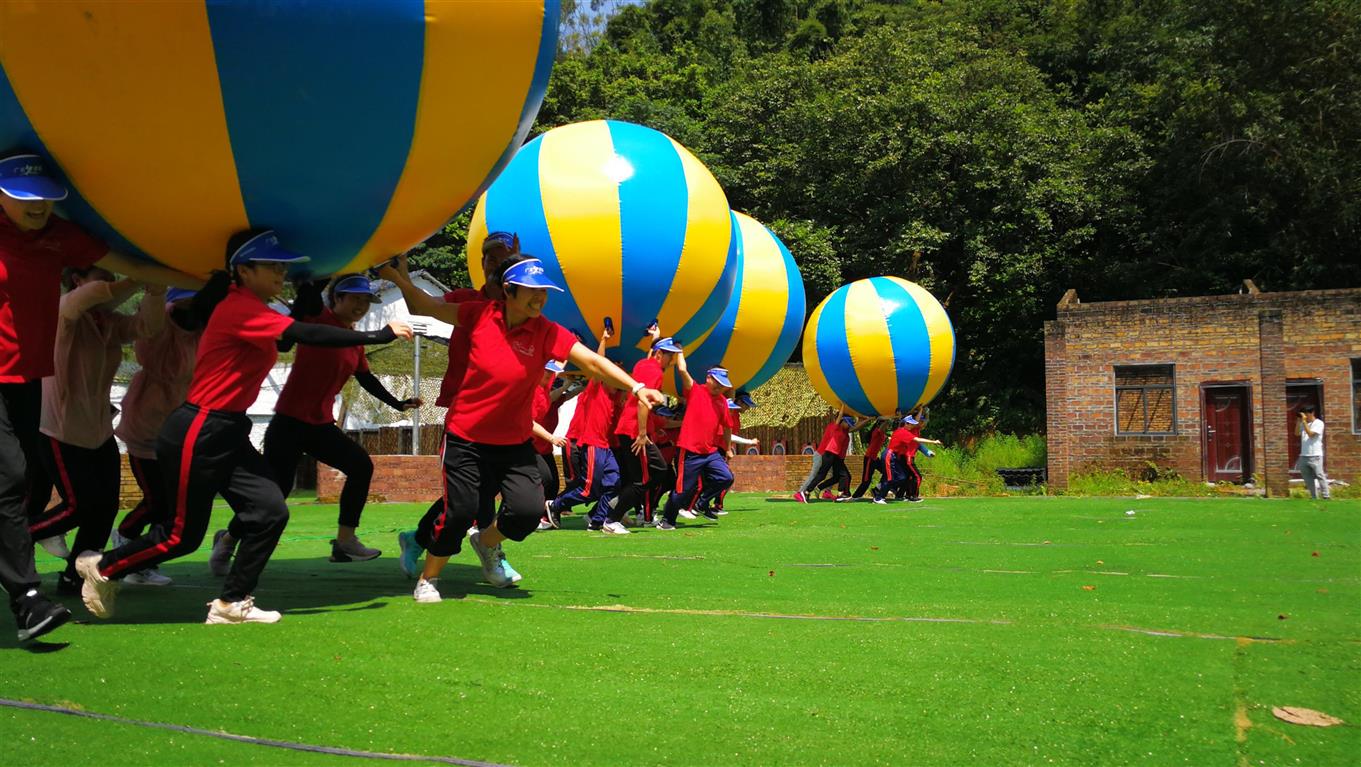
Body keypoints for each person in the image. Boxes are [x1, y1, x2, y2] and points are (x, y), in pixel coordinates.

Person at [73, 228, 412, 625]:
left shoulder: (258, 310)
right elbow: (303, 334)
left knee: (270, 511)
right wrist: (380, 333)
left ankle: (231, 603)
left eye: (282, 267)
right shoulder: (238, 307)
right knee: (182, 536)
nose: (279, 273)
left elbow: (288, 334)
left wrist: (308, 291)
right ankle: (102, 567)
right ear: (243, 270)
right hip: (198, 428)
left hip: (230, 429)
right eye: (271, 266)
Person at [380, 253, 663, 603]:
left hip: (512, 442)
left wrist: (636, 387)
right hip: (466, 436)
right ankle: (429, 579)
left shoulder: (545, 331)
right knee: (461, 511)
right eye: (531, 291)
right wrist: (397, 276)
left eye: (544, 291)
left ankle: (486, 543)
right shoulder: (478, 314)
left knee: (528, 510)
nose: (539, 298)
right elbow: (423, 304)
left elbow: (591, 360)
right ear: (508, 291)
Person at [0, 151, 191, 642]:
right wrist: (131, 280)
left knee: (66, 501)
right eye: (26, 198)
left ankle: (54, 581)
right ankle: (26, 598)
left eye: (46, 199)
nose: (38, 207)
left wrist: (178, 277)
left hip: (35, 390)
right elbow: (94, 291)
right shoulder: (72, 307)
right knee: (17, 483)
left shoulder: (62, 246)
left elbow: (133, 294)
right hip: (54, 419)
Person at [255, 274, 421, 564]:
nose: (361, 305)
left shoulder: (354, 343)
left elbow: (365, 378)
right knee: (275, 495)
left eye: (366, 300)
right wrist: (316, 279)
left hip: (319, 425)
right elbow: (307, 299)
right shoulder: (317, 318)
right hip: (289, 423)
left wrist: (398, 404)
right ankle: (229, 539)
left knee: (360, 465)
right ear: (337, 299)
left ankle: (345, 541)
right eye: (354, 298)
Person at [27, 265, 165, 596]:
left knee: (104, 509)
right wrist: (136, 278)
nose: (111, 284)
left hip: (99, 431)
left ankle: (74, 577)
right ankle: (14, 537)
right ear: (77, 280)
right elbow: (86, 298)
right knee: (79, 506)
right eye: (103, 277)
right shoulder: (63, 313)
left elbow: (148, 325)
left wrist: (156, 290)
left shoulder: (109, 324)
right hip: (61, 430)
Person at [111, 279, 231, 586]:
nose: (191, 310)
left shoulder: (202, 331)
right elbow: (151, 342)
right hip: (146, 424)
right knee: (157, 501)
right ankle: (124, 540)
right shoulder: (158, 329)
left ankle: (139, 557)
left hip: (176, 424)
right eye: (185, 304)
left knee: (169, 504)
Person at [605, 330, 682, 534]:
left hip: (628, 429)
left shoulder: (642, 364)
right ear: (658, 354)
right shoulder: (655, 372)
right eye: (669, 355)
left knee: (644, 477)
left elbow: (646, 366)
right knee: (649, 477)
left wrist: (655, 336)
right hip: (634, 432)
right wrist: (641, 434)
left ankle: (616, 506)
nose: (671, 360)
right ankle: (612, 518)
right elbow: (643, 401)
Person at [547, 325, 622, 532]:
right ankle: (556, 505)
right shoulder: (596, 389)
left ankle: (597, 521)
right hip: (592, 445)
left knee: (614, 484)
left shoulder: (613, 397)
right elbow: (597, 364)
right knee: (589, 489)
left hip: (605, 448)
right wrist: (604, 339)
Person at [656, 365, 734, 530]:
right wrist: (679, 353)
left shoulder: (722, 401)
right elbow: (683, 371)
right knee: (683, 489)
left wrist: (727, 448)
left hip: (710, 451)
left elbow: (727, 427)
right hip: (689, 451)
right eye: (717, 382)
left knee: (726, 477)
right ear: (708, 378)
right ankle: (667, 520)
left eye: (723, 384)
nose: (720, 387)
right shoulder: (695, 391)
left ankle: (702, 503)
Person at [871, 410, 943, 504]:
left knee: (902, 477)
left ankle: (883, 489)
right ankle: (879, 497)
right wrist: (934, 442)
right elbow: (917, 439)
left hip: (895, 456)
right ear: (906, 424)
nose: (913, 426)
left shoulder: (905, 431)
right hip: (889, 455)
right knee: (889, 478)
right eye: (911, 424)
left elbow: (918, 436)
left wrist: (922, 411)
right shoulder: (903, 432)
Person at [796, 412, 866, 502]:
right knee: (821, 475)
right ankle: (805, 492)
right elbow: (839, 417)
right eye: (847, 424)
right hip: (829, 454)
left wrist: (866, 419)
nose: (848, 426)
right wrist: (843, 406)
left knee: (839, 475)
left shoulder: (845, 431)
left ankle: (840, 494)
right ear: (841, 421)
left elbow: (855, 427)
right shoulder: (835, 427)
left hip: (835, 456)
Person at [851, 416, 893, 499]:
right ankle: (856, 496)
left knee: (887, 472)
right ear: (880, 424)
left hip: (875, 459)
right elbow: (883, 424)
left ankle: (877, 489)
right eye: (886, 424)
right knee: (866, 481)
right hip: (869, 458)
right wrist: (889, 417)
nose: (887, 426)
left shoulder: (881, 433)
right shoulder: (877, 431)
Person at [1296, 406, 1329, 500]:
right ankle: (1314, 496)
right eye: (1304, 414)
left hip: (1315, 454)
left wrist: (1304, 422)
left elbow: (1311, 434)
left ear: (1312, 413)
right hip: (1304, 454)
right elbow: (1297, 433)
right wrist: (1299, 421)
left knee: (1319, 475)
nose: (1305, 416)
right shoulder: (1303, 423)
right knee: (1307, 477)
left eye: (1306, 414)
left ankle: (1326, 495)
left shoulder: (1319, 423)